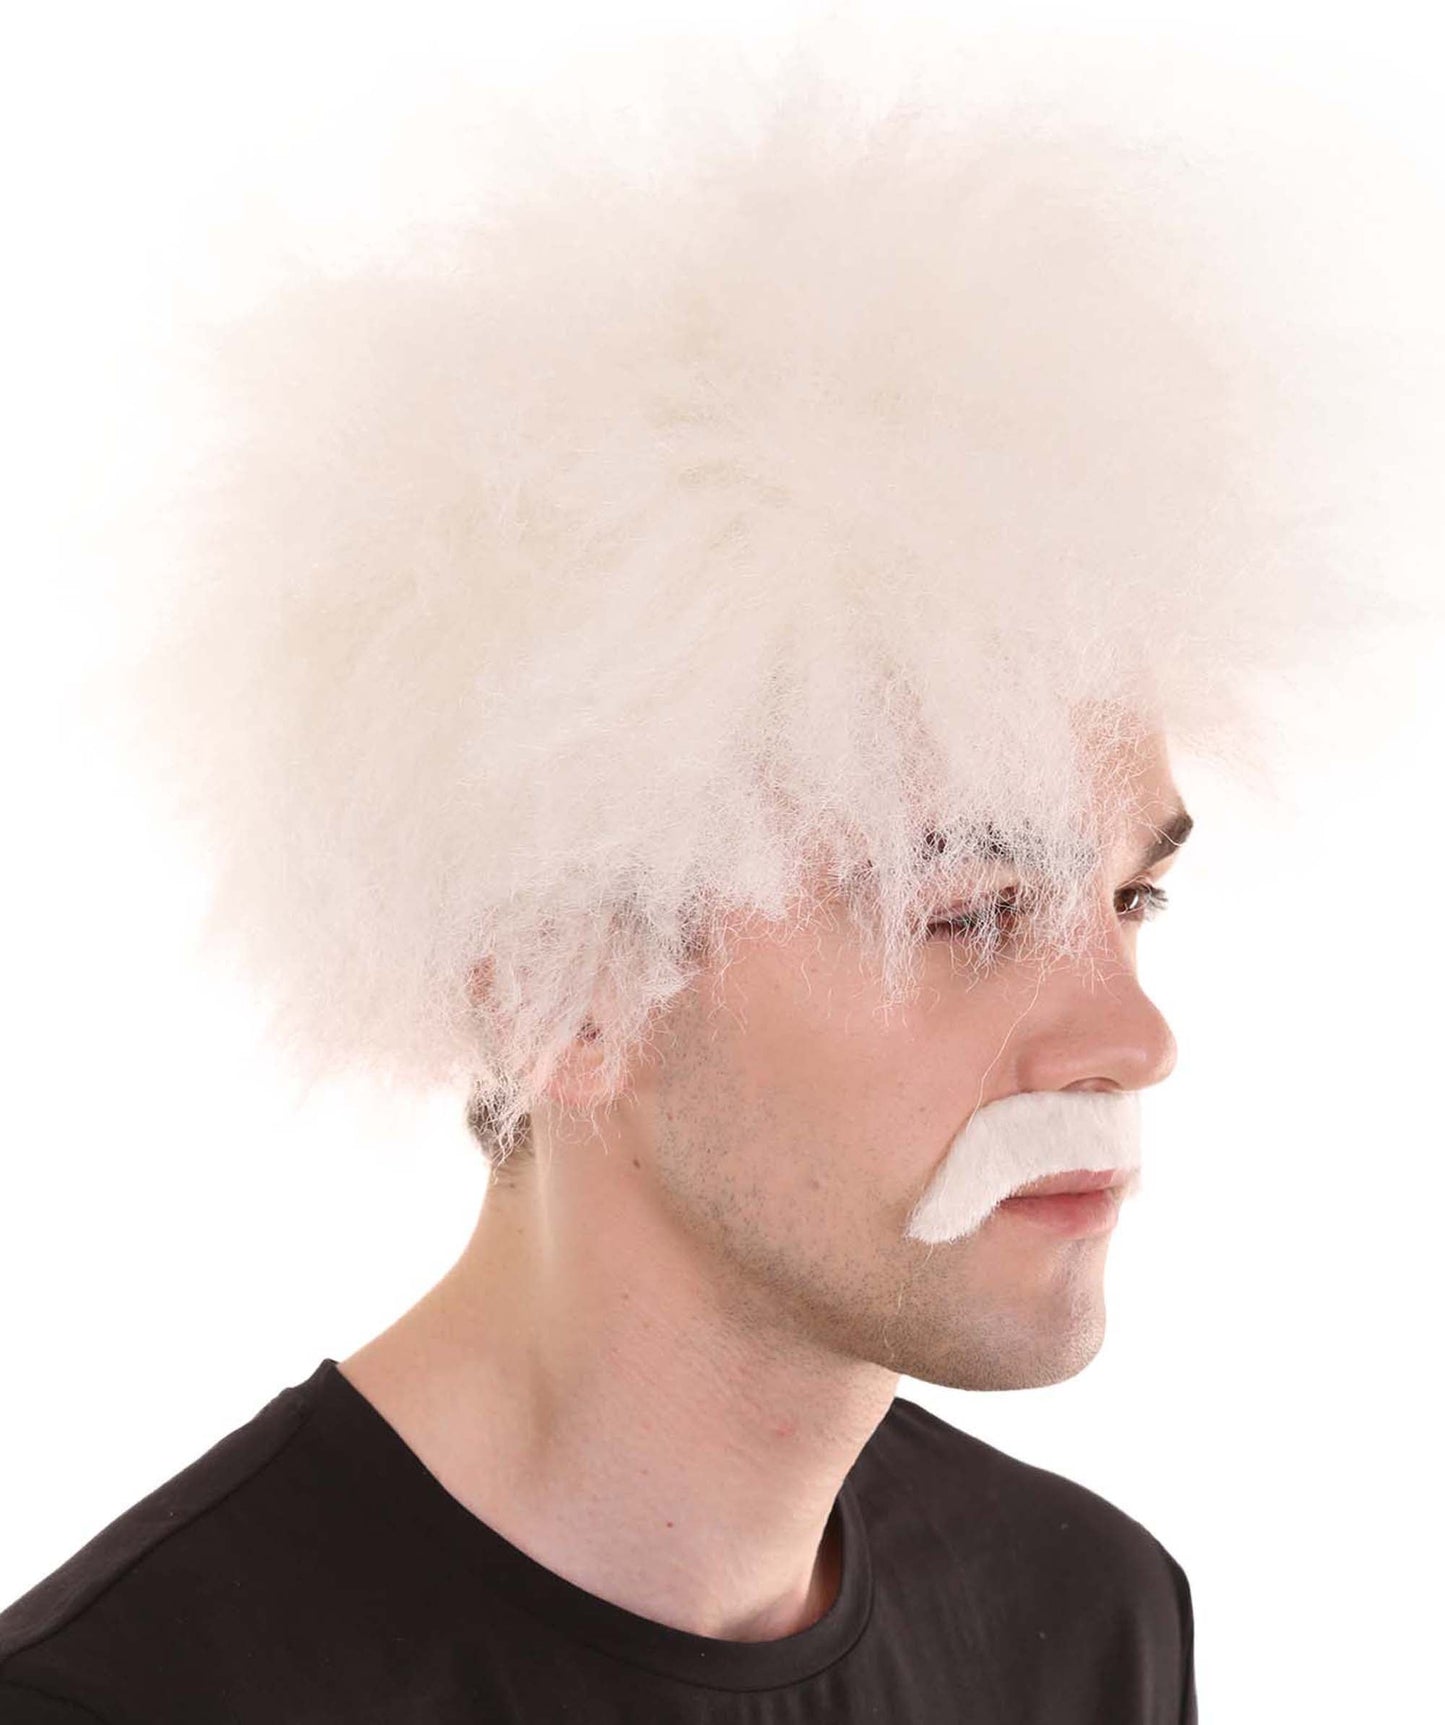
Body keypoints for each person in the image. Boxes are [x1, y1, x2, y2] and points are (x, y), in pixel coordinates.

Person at [0, 29, 1420, 1723]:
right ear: (565, 987)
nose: (1133, 1038)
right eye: (968, 912)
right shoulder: (139, 1696)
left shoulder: (1087, 1617)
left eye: (1132, 898)